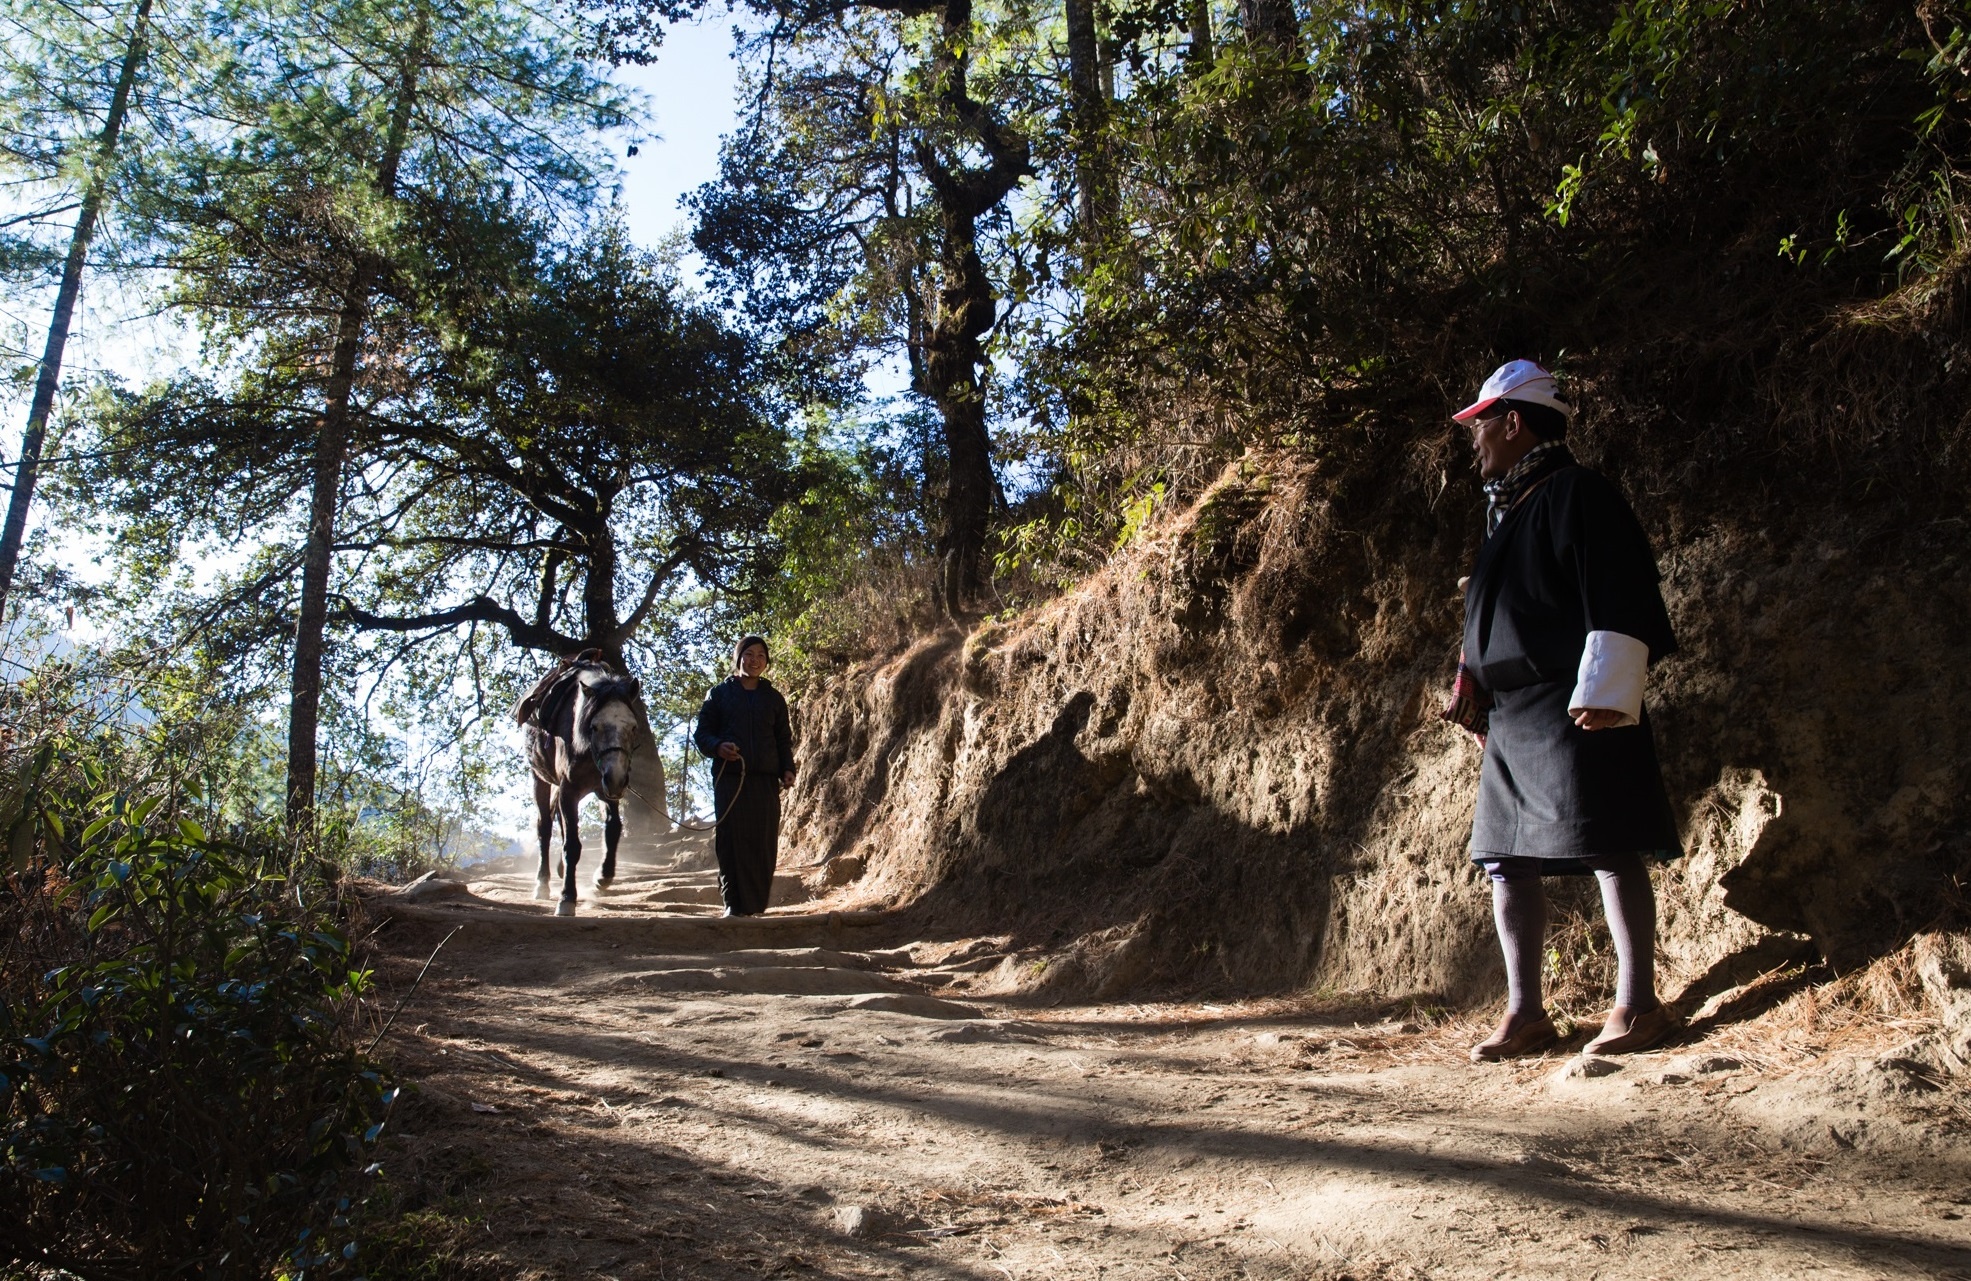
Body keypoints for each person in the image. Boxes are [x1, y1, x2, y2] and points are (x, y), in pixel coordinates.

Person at [1442, 360, 1682, 1062]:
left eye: (1481, 423)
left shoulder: (1578, 493)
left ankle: (1638, 1004)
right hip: (1514, 713)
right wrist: (1475, 696)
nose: (1475, 438)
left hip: (1572, 700)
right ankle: (1526, 1012)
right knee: (1502, 859)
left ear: (1513, 422)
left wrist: (1609, 691)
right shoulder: (1507, 507)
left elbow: (1618, 588)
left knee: (1606, 842)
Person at [693, 635, 798, 917]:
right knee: (731, 840)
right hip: (730, 778)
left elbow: (782, 739)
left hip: (765, 780)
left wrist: (787, 768)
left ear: (767, 662)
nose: (754, 660)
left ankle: (757, 906)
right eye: (749, 654)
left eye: (761, 656)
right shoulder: (719, 694)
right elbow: (701, 734)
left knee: (763, 842)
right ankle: (733, 904)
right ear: (738, 657)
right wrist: (718, 746)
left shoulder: (774, 699)